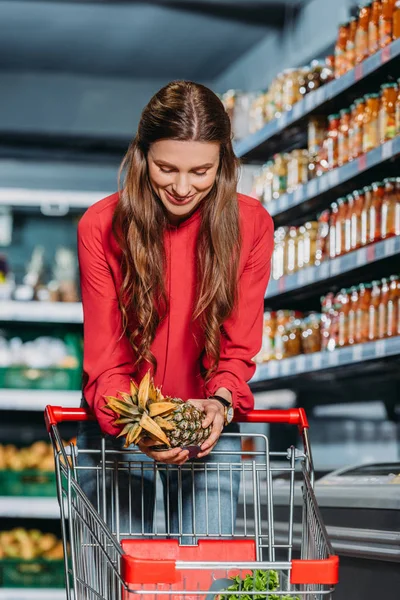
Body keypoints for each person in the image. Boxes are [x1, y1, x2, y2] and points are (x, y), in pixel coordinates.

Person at [76, 80, 273, 542]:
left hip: (206, 425)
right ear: (142, 156)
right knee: (125, 579)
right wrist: (138, 426)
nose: (183, 188)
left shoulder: (251, 225)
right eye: (167, 168)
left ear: (223, 162)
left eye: (201, 171)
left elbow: (239, 346)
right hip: (122, 429)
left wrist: (221, 403)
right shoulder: (102, 226)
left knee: (205, 580)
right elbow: (107, 360)